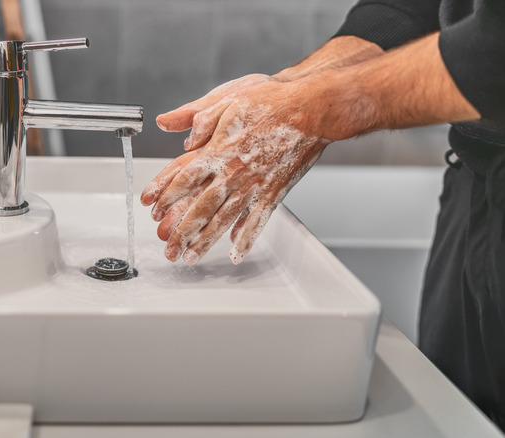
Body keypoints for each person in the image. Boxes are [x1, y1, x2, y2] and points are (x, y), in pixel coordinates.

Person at [140, 0, 505, 428]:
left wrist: (308, 110)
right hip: (473, 182)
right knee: (453, 415)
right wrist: (287, 87)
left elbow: (494, 50)